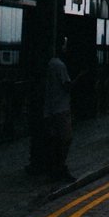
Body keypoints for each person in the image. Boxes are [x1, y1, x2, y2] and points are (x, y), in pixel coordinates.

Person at [42, 36, 76, 180]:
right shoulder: (60, 66)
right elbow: (67, 85)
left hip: (50, 108)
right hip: (61, 108)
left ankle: (54, 168)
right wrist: (79, 79)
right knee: (66, 139)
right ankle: (60, 167)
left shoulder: (50, 63)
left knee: (55, 139)